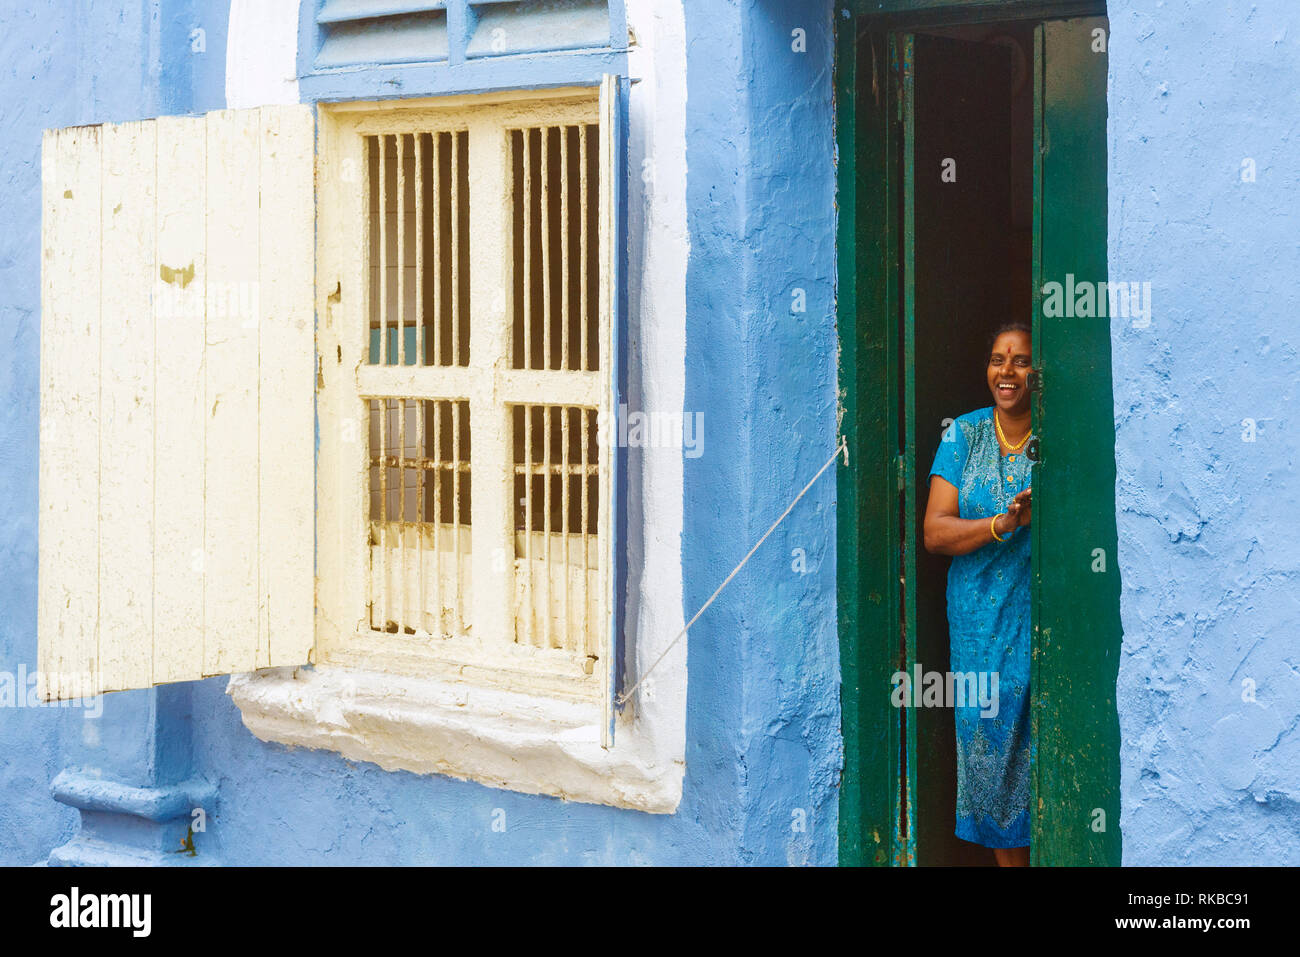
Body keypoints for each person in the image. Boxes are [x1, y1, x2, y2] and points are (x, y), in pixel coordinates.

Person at [922, 321, 1034, 867]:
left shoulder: (1056, 437)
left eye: (1020, 361)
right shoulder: (962, 435)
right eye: (997, 359)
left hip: (1040, 614)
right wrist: (1000, 525)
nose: (1006, 372)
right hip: (979, 625)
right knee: (992, 757)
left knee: (1043, 751)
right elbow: (934, 531)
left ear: (1040, 372)